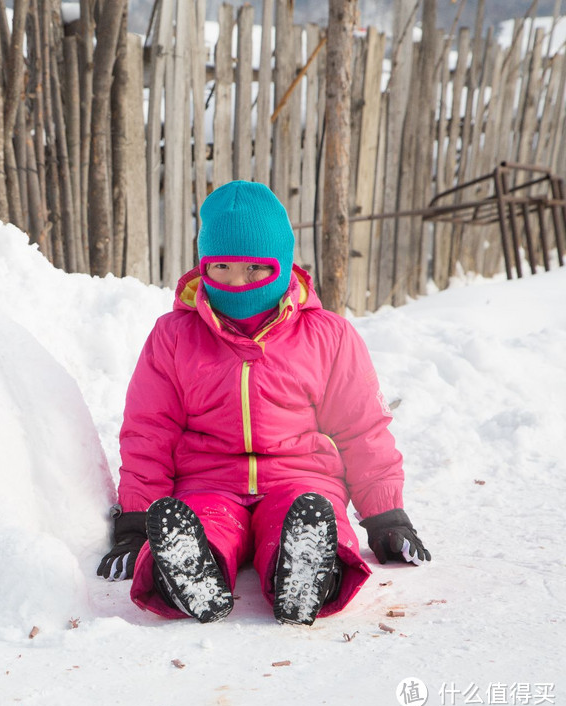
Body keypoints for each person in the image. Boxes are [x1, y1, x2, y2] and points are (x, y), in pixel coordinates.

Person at [96, 180, 430, 625]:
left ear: (284, 264)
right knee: (203, 523)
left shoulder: (328, 337)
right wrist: (137, 520)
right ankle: (190, 573)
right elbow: (148, 431)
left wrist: (386, 515)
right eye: (222, 268)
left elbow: (360, 428)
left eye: (255, 268)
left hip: (300, 477)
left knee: (308, 513)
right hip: (207, 482)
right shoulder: (174, 338)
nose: (237, 282)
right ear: (203, 267)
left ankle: (309, 571)